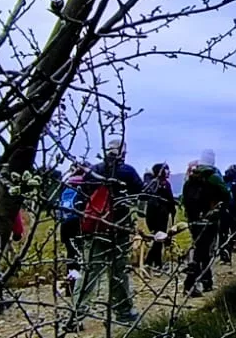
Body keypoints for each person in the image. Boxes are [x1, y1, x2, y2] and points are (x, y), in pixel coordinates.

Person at [67, 139, 145, 330]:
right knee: (118, 273)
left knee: (88, 273)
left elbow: (81, 199)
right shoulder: (128, 172)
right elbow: (140, 195)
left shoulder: (92, 171)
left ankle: (75, 317)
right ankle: (123, 312)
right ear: (123, 154)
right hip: (117, 229)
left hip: (94, 229)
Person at [181, 151, 230, 298]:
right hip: (209, 220)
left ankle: (206, 281)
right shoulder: (214, 178)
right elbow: (227, 196)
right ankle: (190, 284)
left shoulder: (190, 180)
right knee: (204, 251)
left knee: (200, 248)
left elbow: (184, 200)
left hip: (194, 220)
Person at [55, 166, 86, 290]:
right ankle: (79, 286)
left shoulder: (65, 189)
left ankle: (70, 287)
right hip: (77, 223)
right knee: (80, 255)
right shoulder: (83, 186)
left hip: (65, 225)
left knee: (71, 255)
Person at [142, 163, 177, 272]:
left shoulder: (158, 184)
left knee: (158, 239)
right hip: (159, 215)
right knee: (159, 239)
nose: (168, 172)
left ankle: (156, 263)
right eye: (167, 170)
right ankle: (151, 262)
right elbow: (169, 200)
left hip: (156, 215)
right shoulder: (161, 184)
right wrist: (172, 210)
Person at [221, 165, 236, 264]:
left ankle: (224, 252)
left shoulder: (222, 181)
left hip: (225, 211)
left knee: (224, 233)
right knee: (235, 232)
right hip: (234, 211)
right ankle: (227, 248)